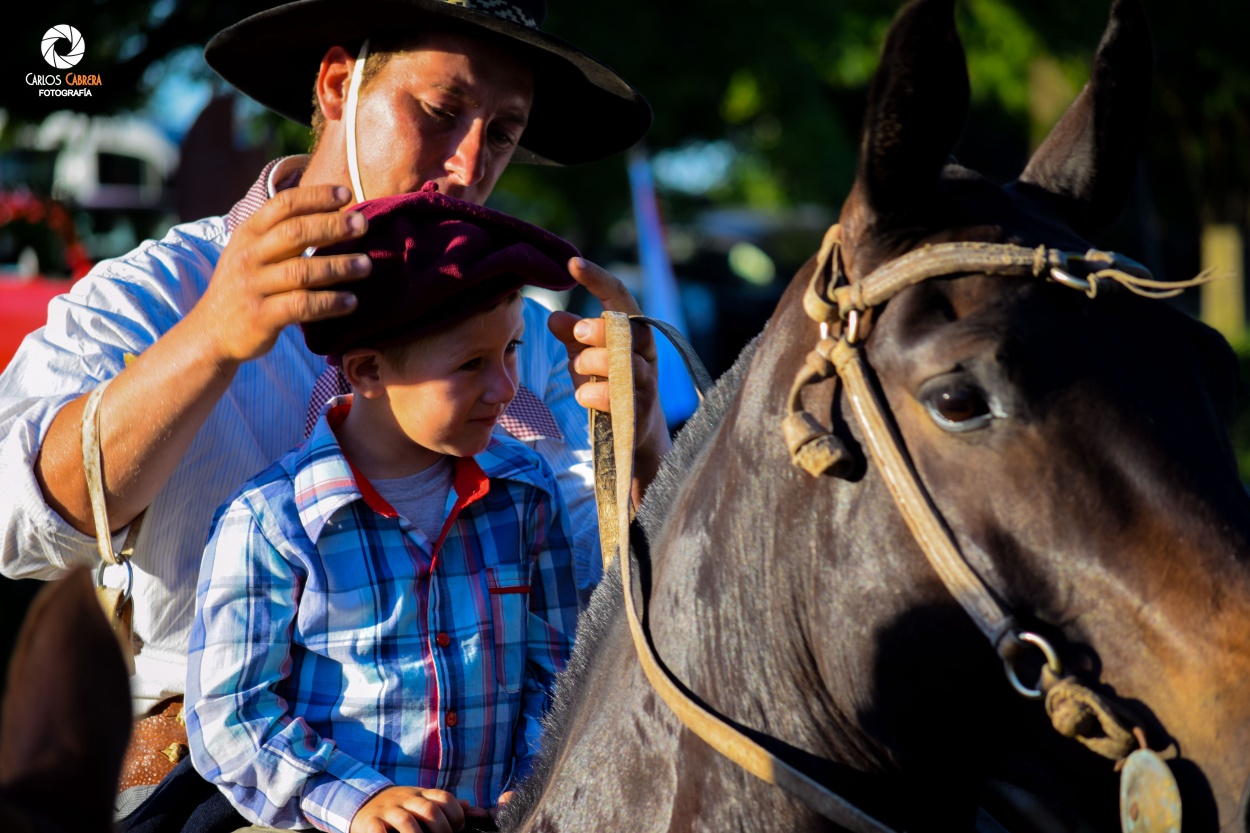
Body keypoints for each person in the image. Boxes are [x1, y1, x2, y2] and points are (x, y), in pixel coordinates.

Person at [0, 0, 669, 727]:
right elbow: (14, 522)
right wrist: (208, 342)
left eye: (502, 133)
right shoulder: (160, 293)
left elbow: (609, 602)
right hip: (219, 776)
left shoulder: (537, 345)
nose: (468, 166)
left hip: (482, 781)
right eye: (441, 110)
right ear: (336, 85)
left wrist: (640, 447)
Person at [187, 187, 581, 833]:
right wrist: (359, 801)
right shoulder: (271, 524)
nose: (507, 387)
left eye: (511, 349)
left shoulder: (528, 491)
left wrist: (537, 776)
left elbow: (557, 663)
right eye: (471, 363)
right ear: (368, 370)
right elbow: (230, 716)